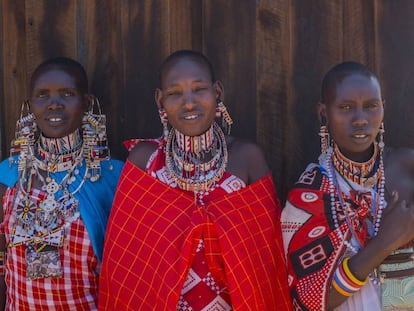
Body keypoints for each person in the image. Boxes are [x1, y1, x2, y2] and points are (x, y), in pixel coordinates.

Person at [99, 50, 292, 310]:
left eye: (199, 89)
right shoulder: (144, 161)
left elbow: (265, 262)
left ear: (218, 92)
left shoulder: (246, 159)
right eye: (175, 93)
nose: (189, 103)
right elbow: (126, 265)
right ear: (160, 100)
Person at [281, 61, 414, 311]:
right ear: (323, 113)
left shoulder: (408, 167)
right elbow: (310, 301)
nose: (361, 119)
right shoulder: (310, 194)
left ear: (383, 108)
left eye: (371, 106)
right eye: (345, 107)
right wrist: (384, 243)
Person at [0, 57, 123, 310]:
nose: (54, 104)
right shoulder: (8, 175)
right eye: (42, 95)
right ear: (30, 104)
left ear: (87, 103)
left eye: (67, 94)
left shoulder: (112, 177)